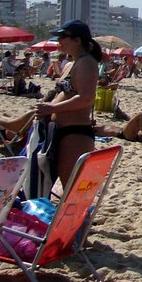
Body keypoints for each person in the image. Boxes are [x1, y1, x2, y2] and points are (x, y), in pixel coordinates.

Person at [35, 20, 100, 191]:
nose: (59, 41)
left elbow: (86, 98)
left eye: (63, 37)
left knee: (73, 188)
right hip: (57, 130)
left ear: (77, 40)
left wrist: (53, 108)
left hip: (75, 133)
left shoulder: (87, 62)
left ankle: (80, 218)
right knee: (57, 183)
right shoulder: (71, 64)